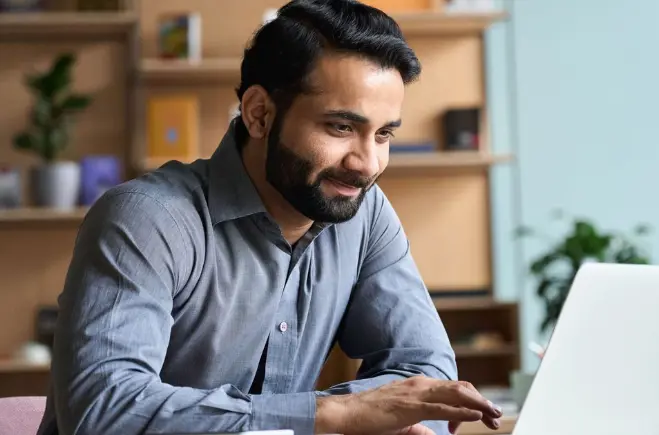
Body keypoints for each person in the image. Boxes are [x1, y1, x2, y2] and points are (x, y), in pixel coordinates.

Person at [37, 0, 503, 434]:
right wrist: (331, 415)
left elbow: (427, 373)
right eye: (341, 127)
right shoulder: (147, 219)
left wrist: (361, 416)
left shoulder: (364, 214)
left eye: (383, 135)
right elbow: (104, 411)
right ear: (259, 114)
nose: (366, 164)